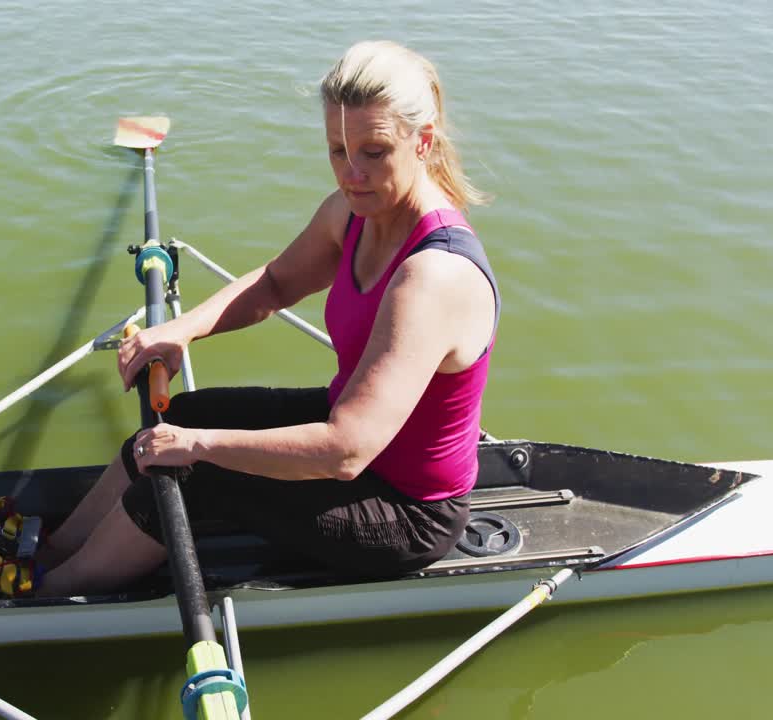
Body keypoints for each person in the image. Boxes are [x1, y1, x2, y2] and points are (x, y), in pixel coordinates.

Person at [32, 40, 499, 598]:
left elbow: (346, 450)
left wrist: (199, 447)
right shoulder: (351, 214)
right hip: (349, 433)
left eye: (373, 153)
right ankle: (49, 548)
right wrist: (179, 331)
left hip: (407, 512)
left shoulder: (433, 276)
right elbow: (275, 284)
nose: (351, 175)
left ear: (422, 143)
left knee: (194, 470)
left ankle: (45, 592)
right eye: (337, 151)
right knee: (183, 413)